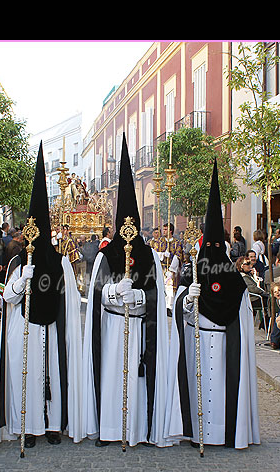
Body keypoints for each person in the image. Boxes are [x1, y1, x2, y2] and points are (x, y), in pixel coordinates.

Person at [81, 133, 180, 448]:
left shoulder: (149, 254)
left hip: (138, 327)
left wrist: (137, 295)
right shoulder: (106, 254)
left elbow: (155, 293)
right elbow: (95, 293)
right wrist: (113, 292)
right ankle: (110, 430)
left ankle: (136, 430)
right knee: (111, 377)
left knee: (136, 381)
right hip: (111, 327)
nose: (128, 231)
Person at [0, 144, 85, 448]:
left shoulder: (60, 261)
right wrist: (23, 280)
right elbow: (7, 297)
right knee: (28, 375)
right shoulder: (18, 261)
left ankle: (52, 425)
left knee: (52, 376)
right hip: (25, 328)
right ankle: (29, 427)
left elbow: (70, 299)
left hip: (52, 328)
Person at [169, 160, 261, 450]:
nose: (211, 252)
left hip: (223, 346)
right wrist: (188, 297)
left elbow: (243, 322)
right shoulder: (192, 272)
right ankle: (194, 433)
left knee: (221, 389)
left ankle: (224, 433)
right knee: (197, 387)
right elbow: (179, 310)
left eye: (215, 247)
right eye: (207, 247)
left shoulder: (234, 280)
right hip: (196, 340)